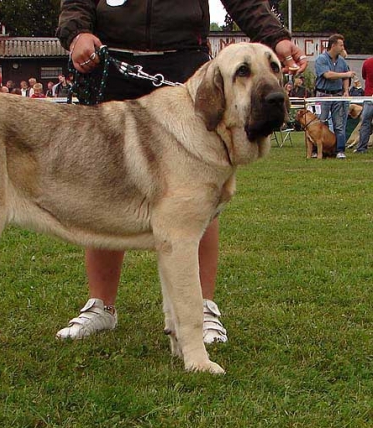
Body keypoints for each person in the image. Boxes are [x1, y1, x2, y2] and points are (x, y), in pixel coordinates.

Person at [55, 0, 307, 342]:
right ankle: (102, 305)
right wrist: (77, 33)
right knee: (107, 185)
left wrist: (275, 37)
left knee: (201, 187)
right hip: (112, 58)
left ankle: (201, 307)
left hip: (184, 60)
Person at [314, 34, 355, 159]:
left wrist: (346, 91)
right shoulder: (321, 59)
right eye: (341, 45)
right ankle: (317, 150)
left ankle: (340, 150)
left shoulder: (342, 61)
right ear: (333, 45)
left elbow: (346, 77)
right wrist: (345, 74)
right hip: (323, 95)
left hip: (337, 95)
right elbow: (328, 75)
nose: (343, 47)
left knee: (339, 123)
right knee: (320, 123)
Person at [355, 56, 373, 154]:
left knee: (365, 123)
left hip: (369, 97)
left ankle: (361, 147)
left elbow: (364, 76)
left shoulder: (367, 62)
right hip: (369, 97)